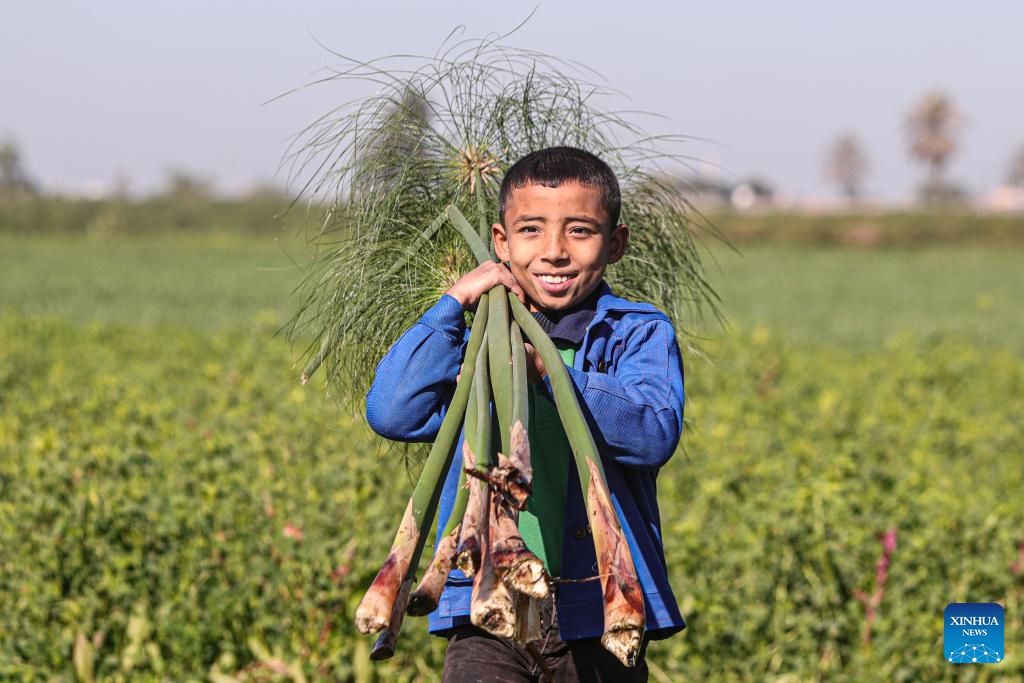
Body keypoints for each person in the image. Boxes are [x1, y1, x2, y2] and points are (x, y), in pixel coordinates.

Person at [366, 147, 686, 682]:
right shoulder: (477, 344)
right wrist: (452, 304)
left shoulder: (637, 332)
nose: (555, 251)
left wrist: (551, 372)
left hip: (601, 609)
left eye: (580, 231)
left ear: (616, 243)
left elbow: (652, 433)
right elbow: (394, 412)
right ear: (501, 242)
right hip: (487, 603)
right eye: (531, 230)